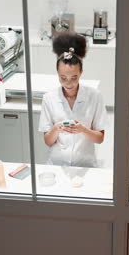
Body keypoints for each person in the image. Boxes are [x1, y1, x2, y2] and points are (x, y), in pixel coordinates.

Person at [38, 33, 108, 167]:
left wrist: (83, 129)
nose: (69, 83)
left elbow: (100, 138)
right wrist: (56, 129)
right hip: (57, 164)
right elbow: (48, 141)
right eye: (63, 78)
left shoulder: (95, 96)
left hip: (85, 164)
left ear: (81, 72)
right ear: (57, 74)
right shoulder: (49, 98)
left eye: (74, 78)